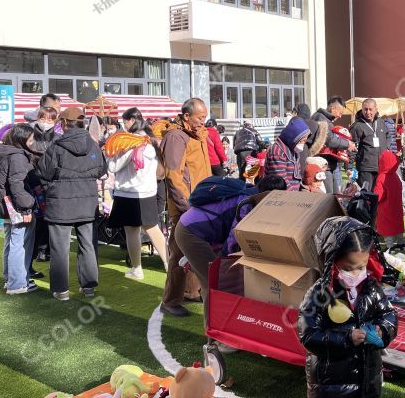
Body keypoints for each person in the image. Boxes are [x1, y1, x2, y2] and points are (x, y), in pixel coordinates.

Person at [297, 217, 398, 398]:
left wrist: (383, 329)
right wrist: (346, 338)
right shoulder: (320, 295)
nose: (356, 273)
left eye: (361, 267)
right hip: (331, 383)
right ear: (331, 262)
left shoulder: (371, 288)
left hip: (368, 378)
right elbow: (309, 335)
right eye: (349, 268)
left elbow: (388, 313)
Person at [176, 175, 286, 324]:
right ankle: (214, 339)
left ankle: (194, 260)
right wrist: (223, 261)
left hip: (202, 230)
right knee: (214, 284)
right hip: (191, 233)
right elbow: (234, 236)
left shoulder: (250, 194)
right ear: (267, 195)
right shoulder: (247, 202)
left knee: (217, 277)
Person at [36, 107, 107, 300]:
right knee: (87, 246)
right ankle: (88, 287)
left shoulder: (56, 146)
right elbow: (101, 169)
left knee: (60, 249)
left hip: (61, 203)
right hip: (86, 202)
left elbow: (43, 172)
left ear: (64, 124)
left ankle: (61, 290)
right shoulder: (93, 145)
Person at [159, 98, 211, 317]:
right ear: (187, 116)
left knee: (195, 250)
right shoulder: (176, 137)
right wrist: (186, 206)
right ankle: (170, 300)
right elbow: (173, 175)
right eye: (200, 117)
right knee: (180, 251)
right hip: (187, 206)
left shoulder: (195, 134)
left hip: (200, 203)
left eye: (204, 117)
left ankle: (190, 291)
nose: (203, 121)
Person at [105, 108, 168, 280]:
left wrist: (111, 157)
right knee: (154, 229)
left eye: (125, 122)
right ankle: (168, 265)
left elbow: (113, 167)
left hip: (129, 193)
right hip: (147, 191)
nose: (123, 125)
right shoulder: (151, 141)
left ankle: (137, 268)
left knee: (132, 232)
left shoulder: (131, 142)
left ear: (131, 120)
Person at [0, 123, 38, 295]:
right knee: (19, 244)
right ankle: (17, 283)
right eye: (30, 139)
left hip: (6, 204)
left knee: (11, 242)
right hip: (16, 206)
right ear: (22, 140)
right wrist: (26, 208)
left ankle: (10, 279)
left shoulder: (3, 152)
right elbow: (17, 185)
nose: (32, 142)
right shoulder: (17, 156)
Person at [29, 106, 61, 265]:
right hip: (33, 185)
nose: (46, 122)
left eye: (50, 119)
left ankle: (47, 250)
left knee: (51, 219)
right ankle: (36, 250)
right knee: (37, 220)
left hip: (53, 185)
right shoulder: (30, 138)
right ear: (37, 118)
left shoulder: (58, 139)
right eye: (43, 118)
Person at [312, 97, 357, 194]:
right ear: (333, 108)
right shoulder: (321, 118)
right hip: (323, 165)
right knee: (330, 197)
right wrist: (347, 144)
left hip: (328, 164)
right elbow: (330, 140)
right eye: (340, 113)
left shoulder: (325, 119)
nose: (340, 116)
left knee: (335, 194)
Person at [351, 99, 391, 191]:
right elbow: (352, 146)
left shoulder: (381, 122)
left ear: (376, 109)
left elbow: (388, 136)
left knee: (379, 194)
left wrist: (387, 148)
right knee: (367, 194)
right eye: (365, 109)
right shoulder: (357, 126)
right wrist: (349, 166)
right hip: (366, 167)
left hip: (381, 166)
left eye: (370, 109)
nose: (368, 112)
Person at [264, 117, 311, 191]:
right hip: (281, 195)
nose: (302, 144)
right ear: (293, 138)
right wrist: (295, 195)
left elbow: (296, 177)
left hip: (291, 194)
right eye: (301, 141)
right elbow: (280, 181)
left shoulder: (293, 150)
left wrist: (303, 188)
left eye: (304, 141)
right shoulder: (277, 152)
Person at [373, 149, 405, 250]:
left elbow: (379, 195)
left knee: (387, 228)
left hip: (385, 208)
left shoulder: (382, 177)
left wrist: (373, 200)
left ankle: (389, 247)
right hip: (397, 207)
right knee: (398, 226)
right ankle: (401, 244)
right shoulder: (395, 176)